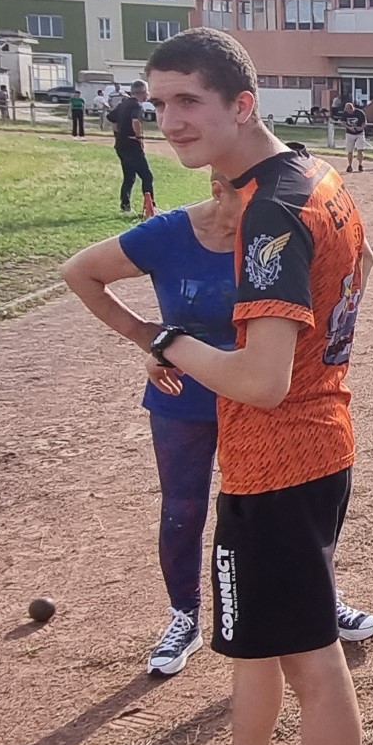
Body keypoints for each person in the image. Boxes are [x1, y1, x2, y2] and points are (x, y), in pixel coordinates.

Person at [145, 27, 373, 745]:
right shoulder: (314, 176)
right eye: (158, 102)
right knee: (254, 643)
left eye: (190, 99)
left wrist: (172, 341)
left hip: (278, 464)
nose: (171, 119)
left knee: (312, 658)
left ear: (243, 104)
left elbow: (262, 381)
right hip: (313, 445)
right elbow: (364, 262)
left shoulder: (270, 210)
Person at [59, 169, 244, 676]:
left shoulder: (276, 231)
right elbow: (79, 272)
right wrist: (149, 338)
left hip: (255, 396)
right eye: (245, 203)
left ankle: (314, 597)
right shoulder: (168, 234)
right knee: (183, 509)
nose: (257, 217)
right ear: (216, 188)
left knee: (279, 506)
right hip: (180, 394)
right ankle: (184, 616)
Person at [109, 81, 158, 216]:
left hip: (121, 145)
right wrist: (139, 137)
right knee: (147, 177)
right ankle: (150, 207)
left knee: (129, 177)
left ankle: (125, 206)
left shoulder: (123, 103)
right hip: (132, 145)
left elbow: (111, 118)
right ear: (144, 92)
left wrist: (118, 133)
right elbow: (135, 120)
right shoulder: (137, 105)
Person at [341, 99, 368, 173]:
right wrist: (349, 127)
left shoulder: (360, 113)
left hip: (359, 133)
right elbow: (343, 122)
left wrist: (360, 128)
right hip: (350, 133)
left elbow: (364, 122)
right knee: (350, 151)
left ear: (351, 108)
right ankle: (350, 165)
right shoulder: (345, 113)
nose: (347, 112)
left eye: (348, 110)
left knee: (360, 149)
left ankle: (360, 164)